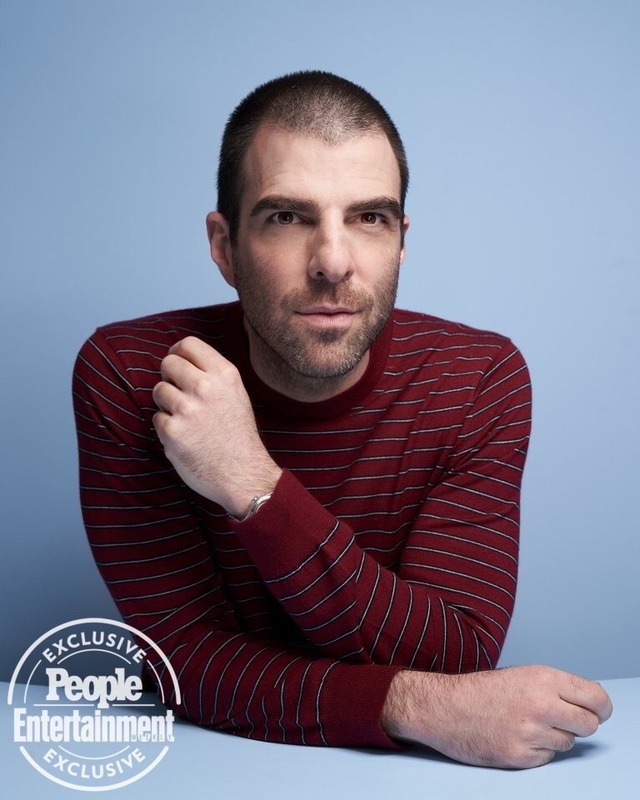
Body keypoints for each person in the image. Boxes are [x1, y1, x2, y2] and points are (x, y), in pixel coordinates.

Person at [73, 70, 612, 769]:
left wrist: (252, 482)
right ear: (224, 246)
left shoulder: (478, 380)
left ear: (401, 241)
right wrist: (415, 708)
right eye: (287, 217)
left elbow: (456, 656)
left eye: (369, 218)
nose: (332, 262)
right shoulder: (132, 376)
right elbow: (183, 661)